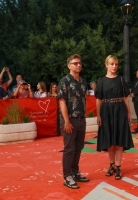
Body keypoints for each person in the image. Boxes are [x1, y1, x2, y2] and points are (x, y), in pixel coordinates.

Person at [95, 55, 133, 180]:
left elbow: (125, 98)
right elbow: (98, 99)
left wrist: (129, 113)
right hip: (106, 111)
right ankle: (111, 164)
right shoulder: (101, 81)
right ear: (106, 65)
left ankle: (118, 166)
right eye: (112, 64)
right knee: (110, 140)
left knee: (119, 139)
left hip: (120, 111)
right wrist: (98, 115)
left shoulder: (121, 80)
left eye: (116, 64)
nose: (114, 66)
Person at [57, 54, 89, 189]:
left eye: (80, 63)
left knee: (79, 147)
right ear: (69, 65)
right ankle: (67, 176)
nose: (78, 65)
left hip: (82, 119)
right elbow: (62, 102)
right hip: (70, 120)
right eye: (75, 63)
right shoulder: (64, 81)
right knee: (69, 148)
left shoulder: (83, 81)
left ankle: (75, 172)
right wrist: (66, 121)